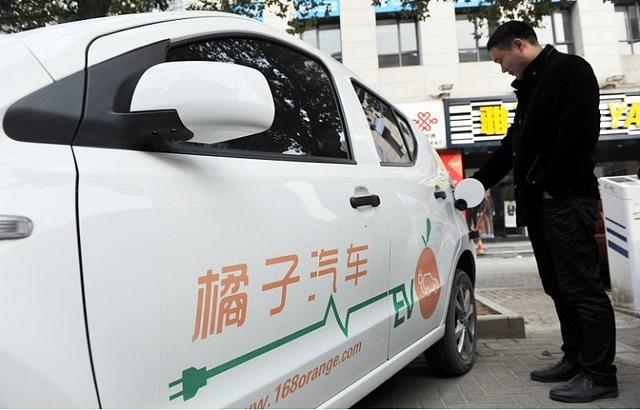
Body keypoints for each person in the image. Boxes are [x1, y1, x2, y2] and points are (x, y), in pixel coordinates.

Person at [472, 21, 618, 403]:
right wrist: (473, 186)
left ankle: (600, 374)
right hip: (542, 204)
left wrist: (554, 187)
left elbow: (580, 134)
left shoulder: (569, 70)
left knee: (582, 288)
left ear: (518, 45)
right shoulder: (532, 87)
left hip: (565, 200)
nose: (502, 68)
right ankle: (575, 358)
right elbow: (510, 149)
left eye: (501, 59)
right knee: (558, 287)